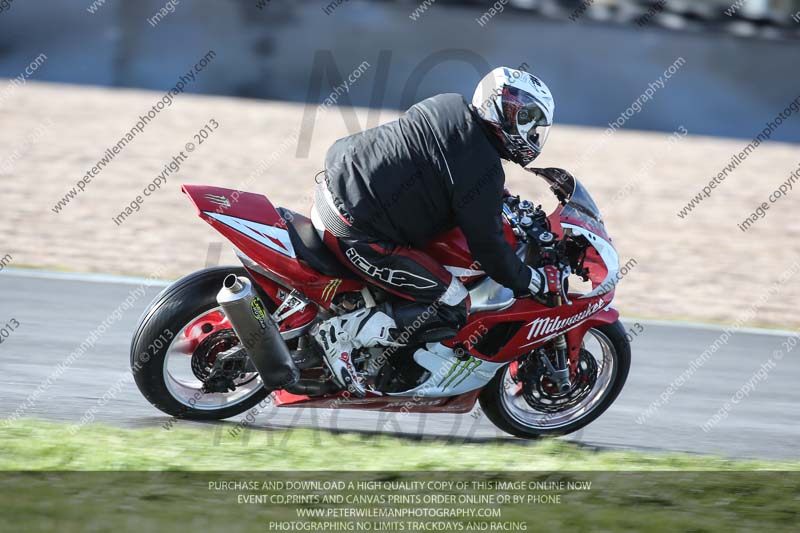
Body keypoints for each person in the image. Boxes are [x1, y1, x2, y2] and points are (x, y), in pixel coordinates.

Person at [310, 66, 555, 396]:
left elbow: (439, 167)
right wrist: (528, 279)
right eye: (524, 117)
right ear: (500, 106)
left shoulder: (449, 105)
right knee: (451, 303)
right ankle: (342, 335)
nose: (529, 131)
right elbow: (488, 247)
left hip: (334, 183)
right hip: (355, 230)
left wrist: (499, 199)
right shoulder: (482, 165)